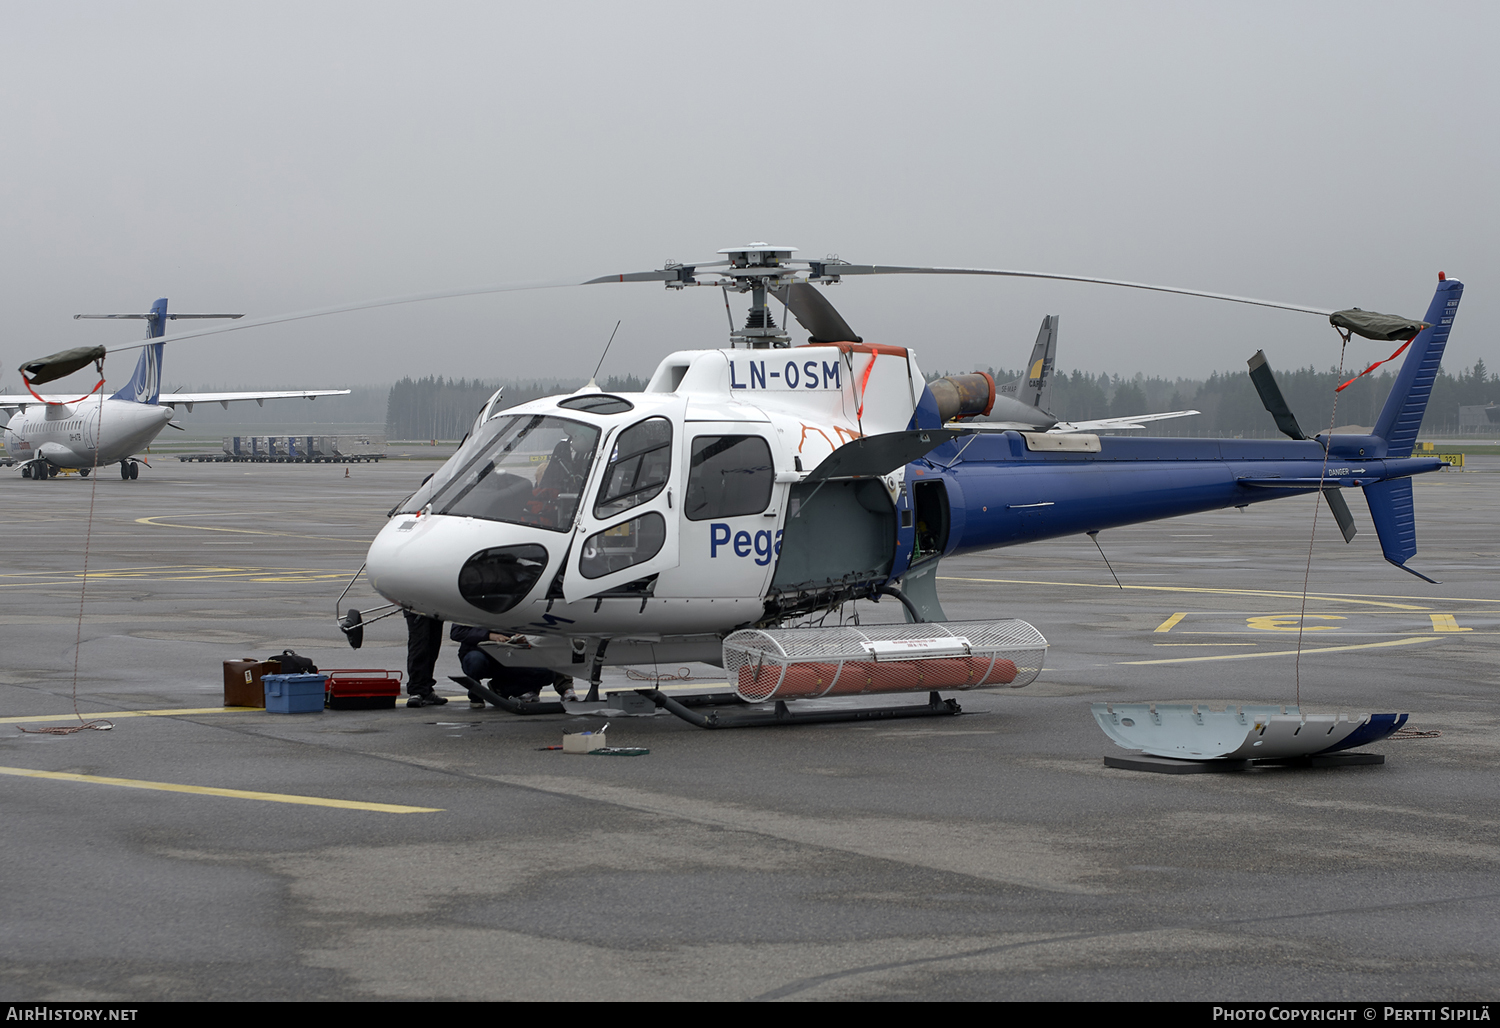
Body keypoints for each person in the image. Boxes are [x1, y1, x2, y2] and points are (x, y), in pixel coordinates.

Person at [450, 624, 577, 707]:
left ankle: (501, 689)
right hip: (480, 651)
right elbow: (457, 632)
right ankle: (475, 694)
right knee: (475, 661)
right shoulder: (473, 598)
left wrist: (524, 637)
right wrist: (490, 636)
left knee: (547, 674)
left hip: (511, 654)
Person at [403, 610, 448, 708]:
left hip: (435, 605)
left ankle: (426, 689)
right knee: (420, 645)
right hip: (418, 605)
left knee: (433, 646)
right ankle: (416, 689)